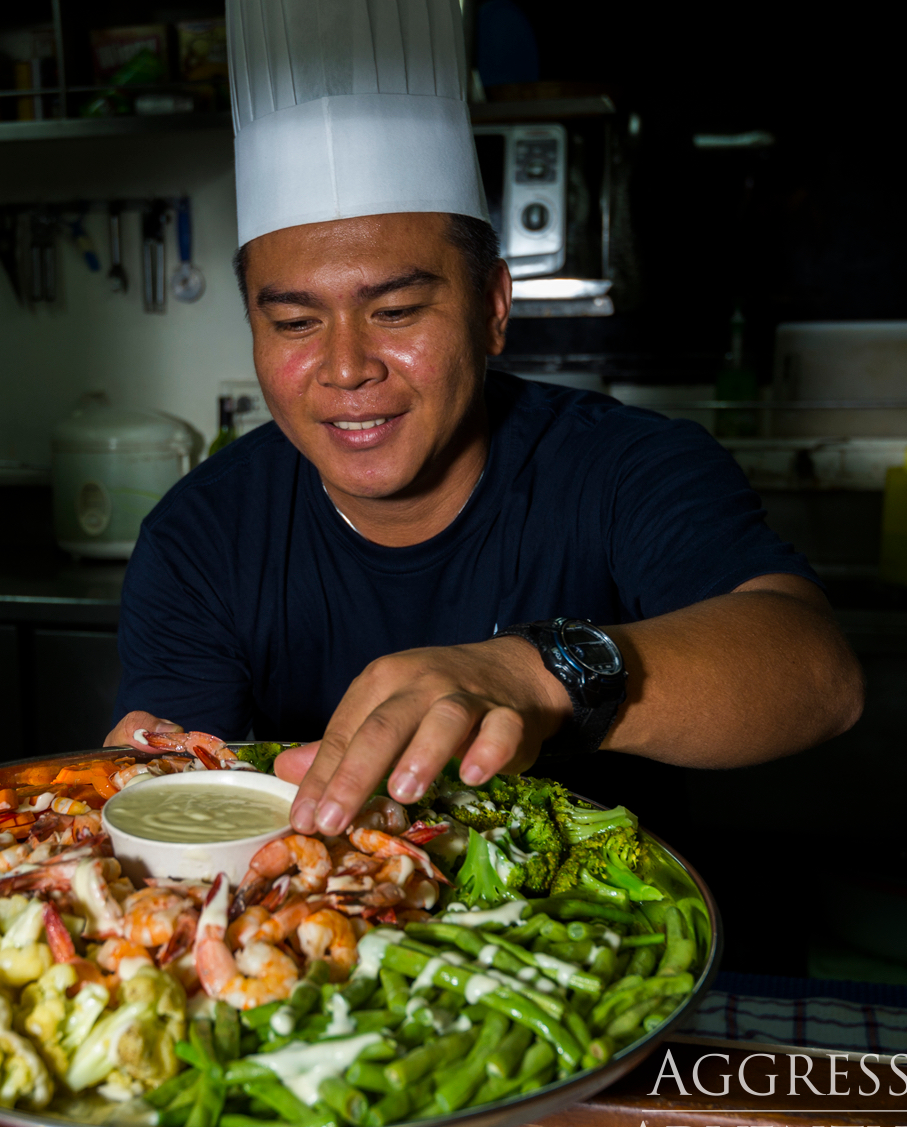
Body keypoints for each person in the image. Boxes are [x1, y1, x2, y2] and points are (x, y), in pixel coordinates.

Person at [106, 0, 863, 837]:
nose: (347, 368)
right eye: (294, 323)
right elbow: (182, 787)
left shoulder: (627, 468)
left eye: (396, 311)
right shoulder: (202, 534)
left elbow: (818, 675)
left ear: (494, 307)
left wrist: (535, 676)